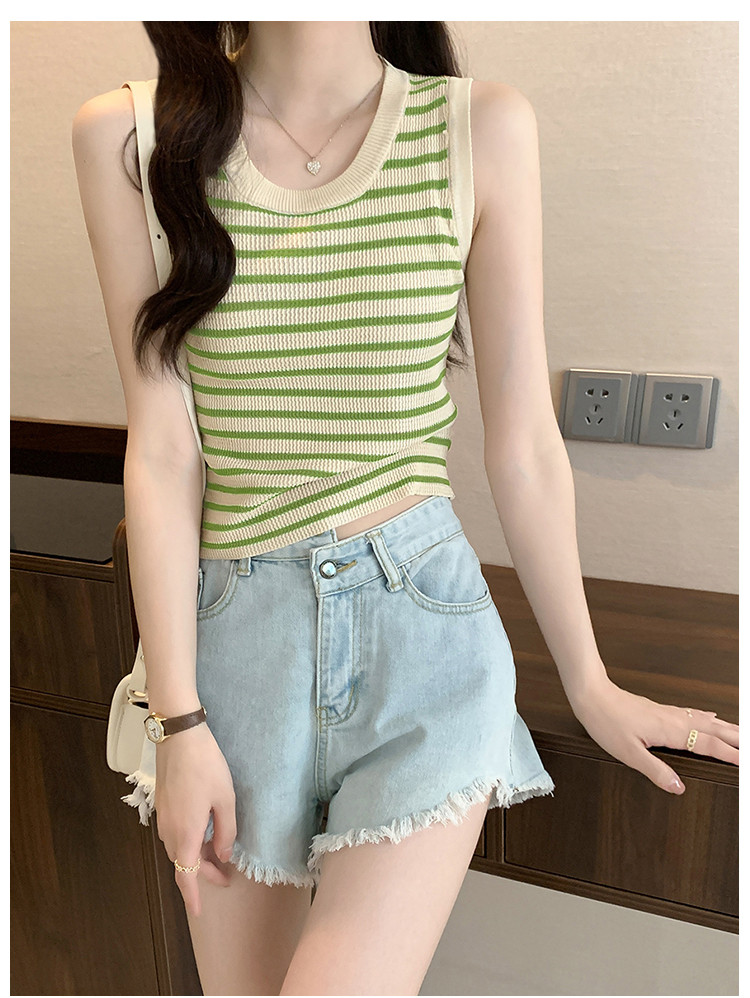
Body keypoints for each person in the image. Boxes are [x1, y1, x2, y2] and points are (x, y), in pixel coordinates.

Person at [72, 21, 739, 997]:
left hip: (423, 633)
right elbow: (165, 451)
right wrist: (179, 722)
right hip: (232, 651)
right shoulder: (129, 137)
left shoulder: (478, 128)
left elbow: (524, 445)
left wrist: (590, 683)